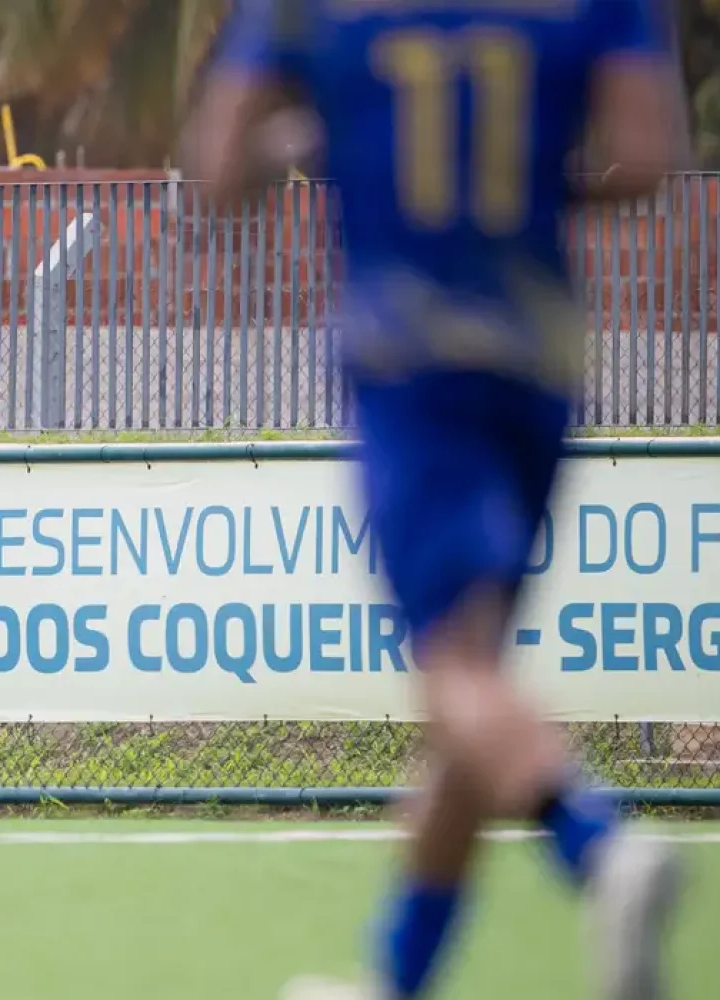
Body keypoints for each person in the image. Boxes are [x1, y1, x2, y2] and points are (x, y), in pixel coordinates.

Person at [182, 2, 684, 998]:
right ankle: (396, 977)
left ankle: (600, 847)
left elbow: (217, 174)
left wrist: (323, 140)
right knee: (473, 683)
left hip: (410, 360)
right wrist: (526, 190)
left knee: (455, 669)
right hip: (538, 362)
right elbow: (647, 159)